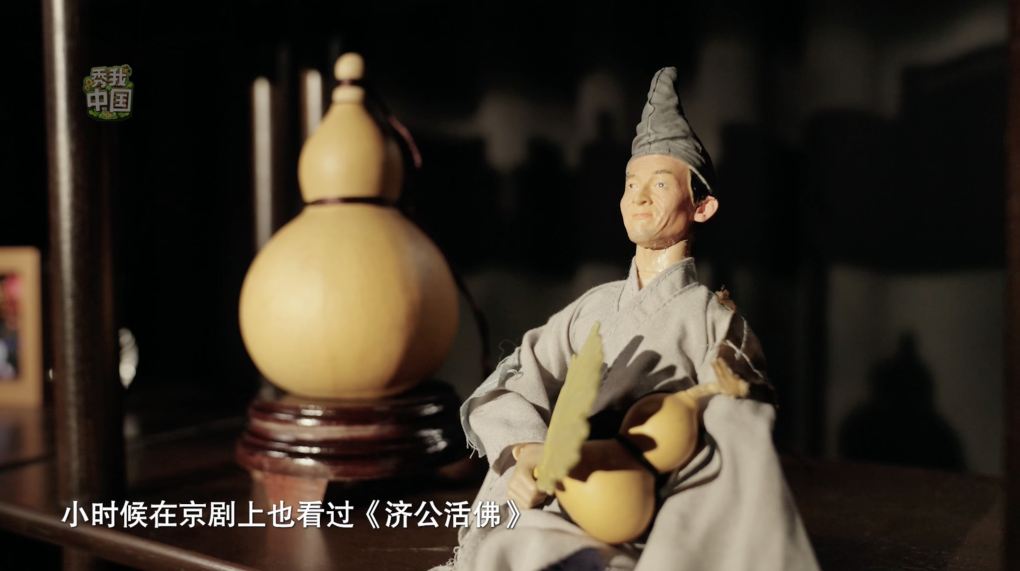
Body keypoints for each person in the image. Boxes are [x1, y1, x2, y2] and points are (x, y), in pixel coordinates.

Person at [435, 67, 819, 571]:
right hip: (564, 492)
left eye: (659, 183)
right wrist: (529, 452)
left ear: (702, 207)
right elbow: (521, 379)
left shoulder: (711, 320)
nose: (638, 196)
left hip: (659, 511)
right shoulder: (593, 307)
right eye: (631, 183)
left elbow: (738, 430)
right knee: (519, 544)